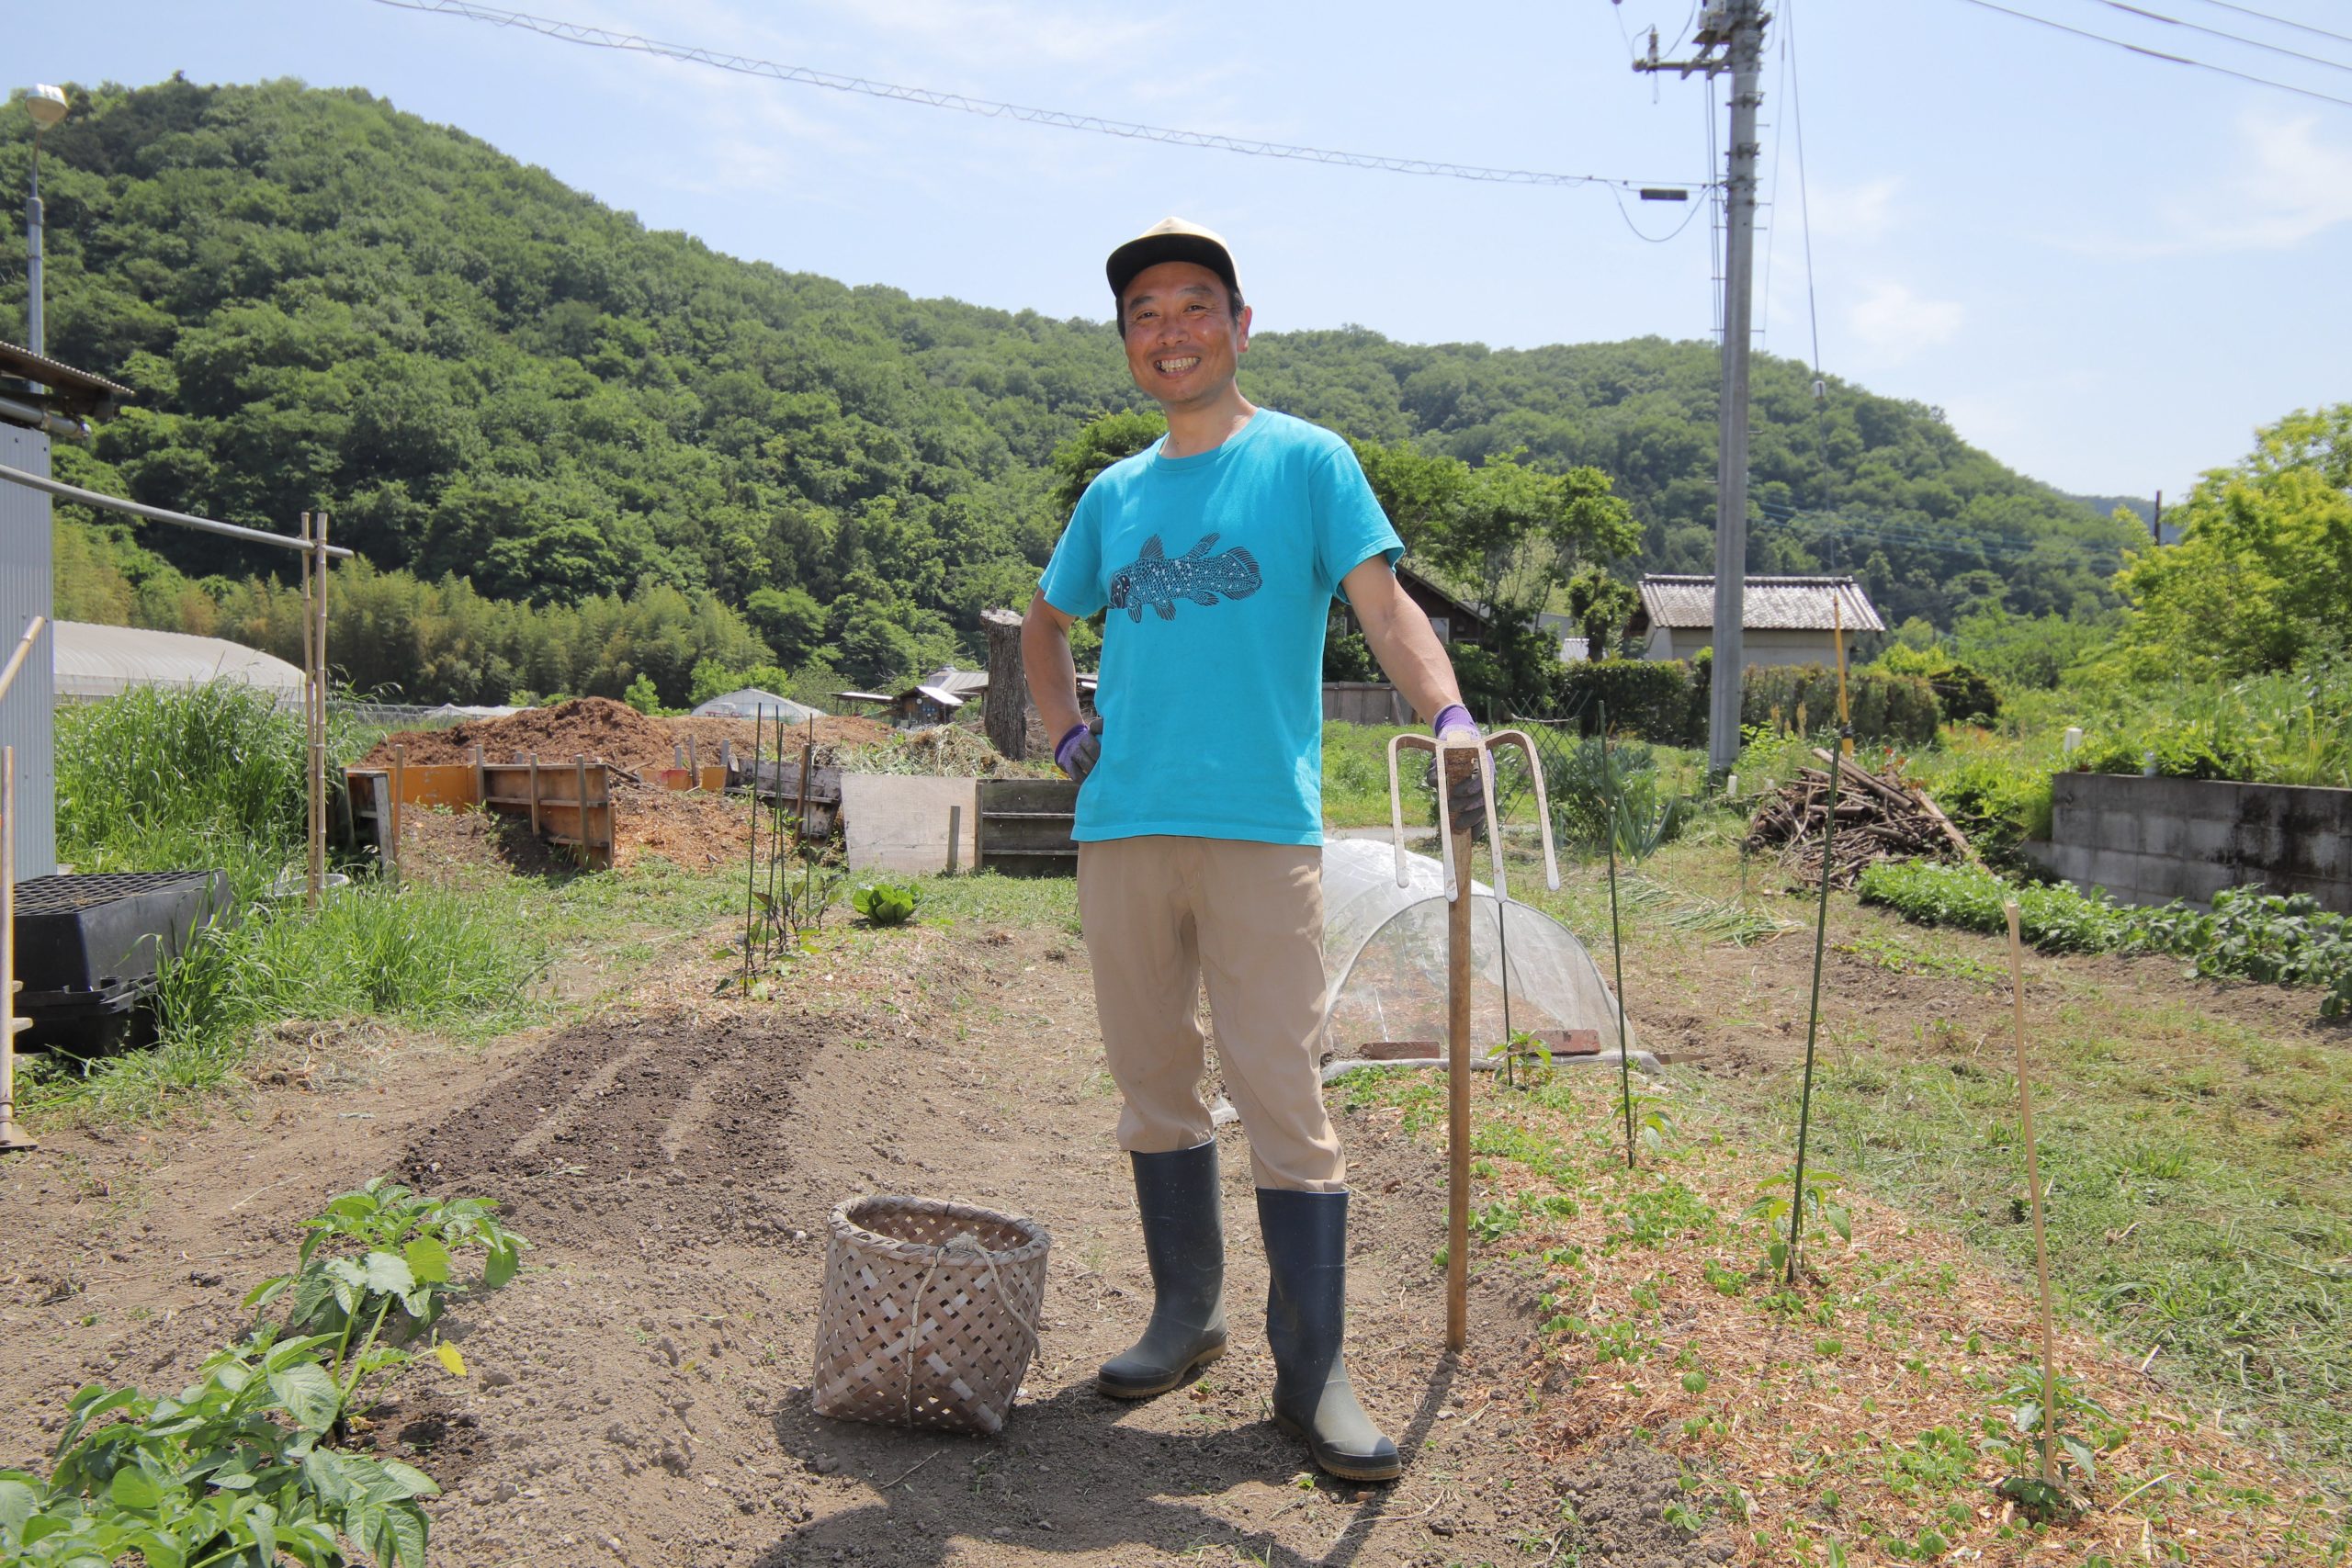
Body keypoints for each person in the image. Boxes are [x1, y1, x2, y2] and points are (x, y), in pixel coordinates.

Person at [1021, 220, 1491, 1482]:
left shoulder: (1307, 463)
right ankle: (1187, 1317)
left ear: (1239, 323)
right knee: (1155, 1082)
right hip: (1121, 828)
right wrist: (1067, 734)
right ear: (1129, 345)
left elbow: (1385, 611)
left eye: (1192, 306)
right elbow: (1044, 624)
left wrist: (1447, 714)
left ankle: (1314, 1372)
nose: (1167, 331)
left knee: (1281, 1086)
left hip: (1260, 830)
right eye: (1143, 316)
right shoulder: (1114, 497)